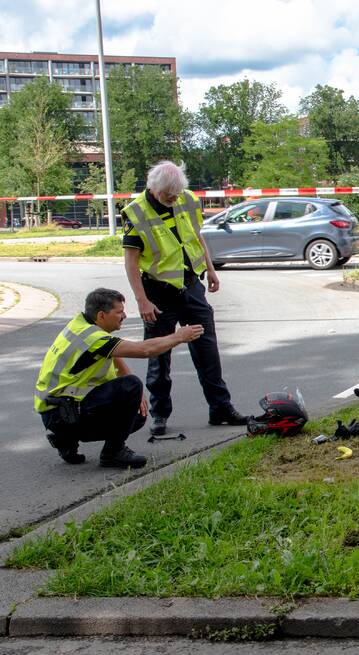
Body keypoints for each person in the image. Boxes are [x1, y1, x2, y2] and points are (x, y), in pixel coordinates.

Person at [121, 160, 249, 436]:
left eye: (177, 194)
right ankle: (159, 414)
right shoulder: (136, 214)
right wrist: (142, 300)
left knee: (207, 351)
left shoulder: (188, 200)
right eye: (169, 195)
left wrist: (210, 270)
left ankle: (221, 408)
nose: (174, 199)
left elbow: (196, 237)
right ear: (154, 189)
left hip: (191, 287)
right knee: (159, 355)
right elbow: (131, 262)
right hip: (158, 293)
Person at [35, 288, 203, 468]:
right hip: (63, 412)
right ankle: (113, 453)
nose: (124, 315)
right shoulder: (93, 338)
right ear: (101, 315)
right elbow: (145, 350)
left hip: (57, 410)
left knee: (137, 415)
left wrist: (136, 396)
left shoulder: (81, 325)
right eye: (119, 312)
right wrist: (178, 337)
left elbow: (112, 355)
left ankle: (65, 439)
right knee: (131, 386)